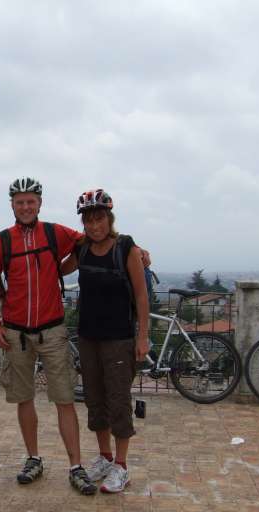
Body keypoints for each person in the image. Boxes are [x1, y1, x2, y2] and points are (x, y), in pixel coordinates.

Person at [0, 177, 97, 494]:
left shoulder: (54, 233)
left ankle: (76, 465)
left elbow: (91, 239)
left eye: (31, 201)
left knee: (64, 399)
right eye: (20, 202)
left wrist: (134, 250)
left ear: (40, 203)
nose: (26, 207)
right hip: (16, 332)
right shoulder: (2, 241)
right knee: (24, 398)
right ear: (12, 205)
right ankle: (33, 458)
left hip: (52, 329)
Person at [62, 189, 149, 493]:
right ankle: (105, 457)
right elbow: (57, 268)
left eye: (99, 218)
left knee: (118, 401)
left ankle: (122, 466)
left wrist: (143, 337)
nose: (94, 225)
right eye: (88, 220)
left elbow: (141, 296)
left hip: (119, 339)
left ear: (109, 219)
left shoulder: (126, 248)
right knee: (95, 400)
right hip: (89, 337)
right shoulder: (82, 249)